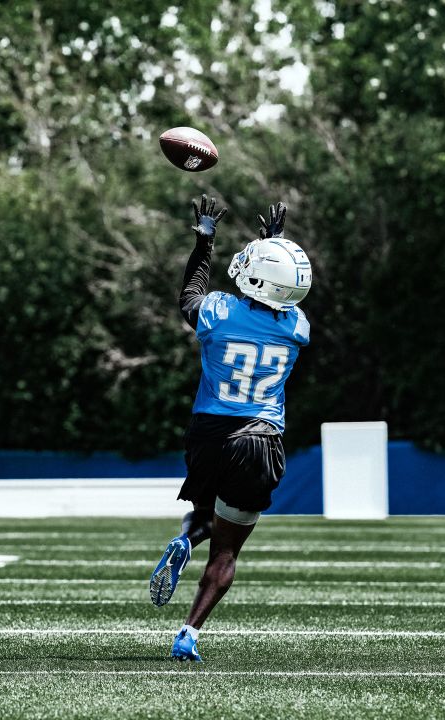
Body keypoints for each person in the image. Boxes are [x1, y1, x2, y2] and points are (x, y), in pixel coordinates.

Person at [148, 195, 313, 662]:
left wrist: (205, 239)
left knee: (204, 511)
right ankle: (188, 634)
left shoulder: (218, 314)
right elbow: (271, 296)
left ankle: (186, 536)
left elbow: (191, 293)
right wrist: (274, 244)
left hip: (207, 434)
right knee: (227, 549)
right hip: (259, 439)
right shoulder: (297, 327)